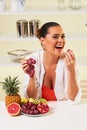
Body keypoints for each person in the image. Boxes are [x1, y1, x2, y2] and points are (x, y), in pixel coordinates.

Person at [22, 22, 81, 103]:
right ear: (43, 41)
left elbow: (74, 99)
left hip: (65, 112)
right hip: (41, 113)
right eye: (55, 37)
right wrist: (32, 76)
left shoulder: (69, 61)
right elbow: (31, 99)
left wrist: (71, 71)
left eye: (63, 36)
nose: (61, 40)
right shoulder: (32, 60)